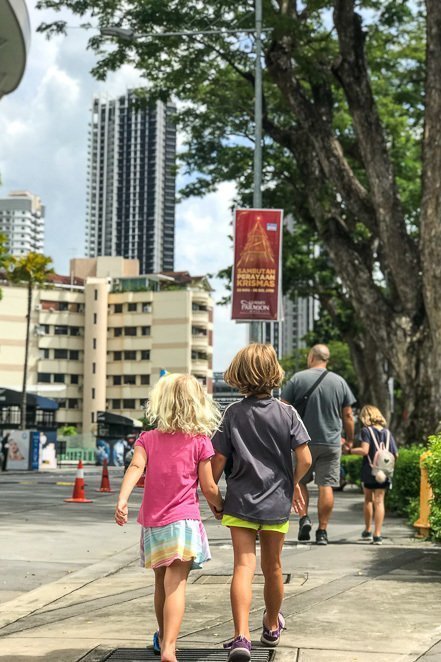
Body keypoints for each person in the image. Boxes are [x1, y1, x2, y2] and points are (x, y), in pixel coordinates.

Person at [210, 343, 312, 661]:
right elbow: (306, 459)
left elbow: (215, 463)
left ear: (239, 375)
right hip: (276, 503)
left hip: (240, 502)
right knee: (274, 568)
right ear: (274, 374)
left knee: (243, 566)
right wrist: (292, 482)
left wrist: (215, 496)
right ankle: (270, 624)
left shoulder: (232, 414)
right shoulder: (287, 412)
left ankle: (241, 637)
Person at [115, 373, 224, 662]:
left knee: (161, 583)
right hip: (183, 522)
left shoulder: (147, 438)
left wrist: (123, 499)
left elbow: (135, 468)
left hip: (153, 524)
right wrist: (219, 506)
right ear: (196, 404)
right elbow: (209, 486)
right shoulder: (200, 442)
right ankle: (169, 649)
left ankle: (162, 636)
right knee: (176, 584)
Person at [281, 343, 356, 545]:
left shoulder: (298, 378)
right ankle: (322, 531)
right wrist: (349, 440)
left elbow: (283, 409)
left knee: (300, 482)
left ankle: (304, 517)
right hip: (331, 442)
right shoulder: (339, 382)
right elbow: (348, 415)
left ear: (312, 357)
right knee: (326, 485)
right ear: (326, 359)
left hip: (301, 442)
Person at [345, 404, 398, 545]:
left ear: (365, 416)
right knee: (379, 501)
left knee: (368, 499)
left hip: (369, 470)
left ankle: (368, 530)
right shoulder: (387, 433)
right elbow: (395, 454)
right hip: (384, 471)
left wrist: (349, 451)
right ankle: (378, 535)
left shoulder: (366, 431)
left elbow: (364, 450)